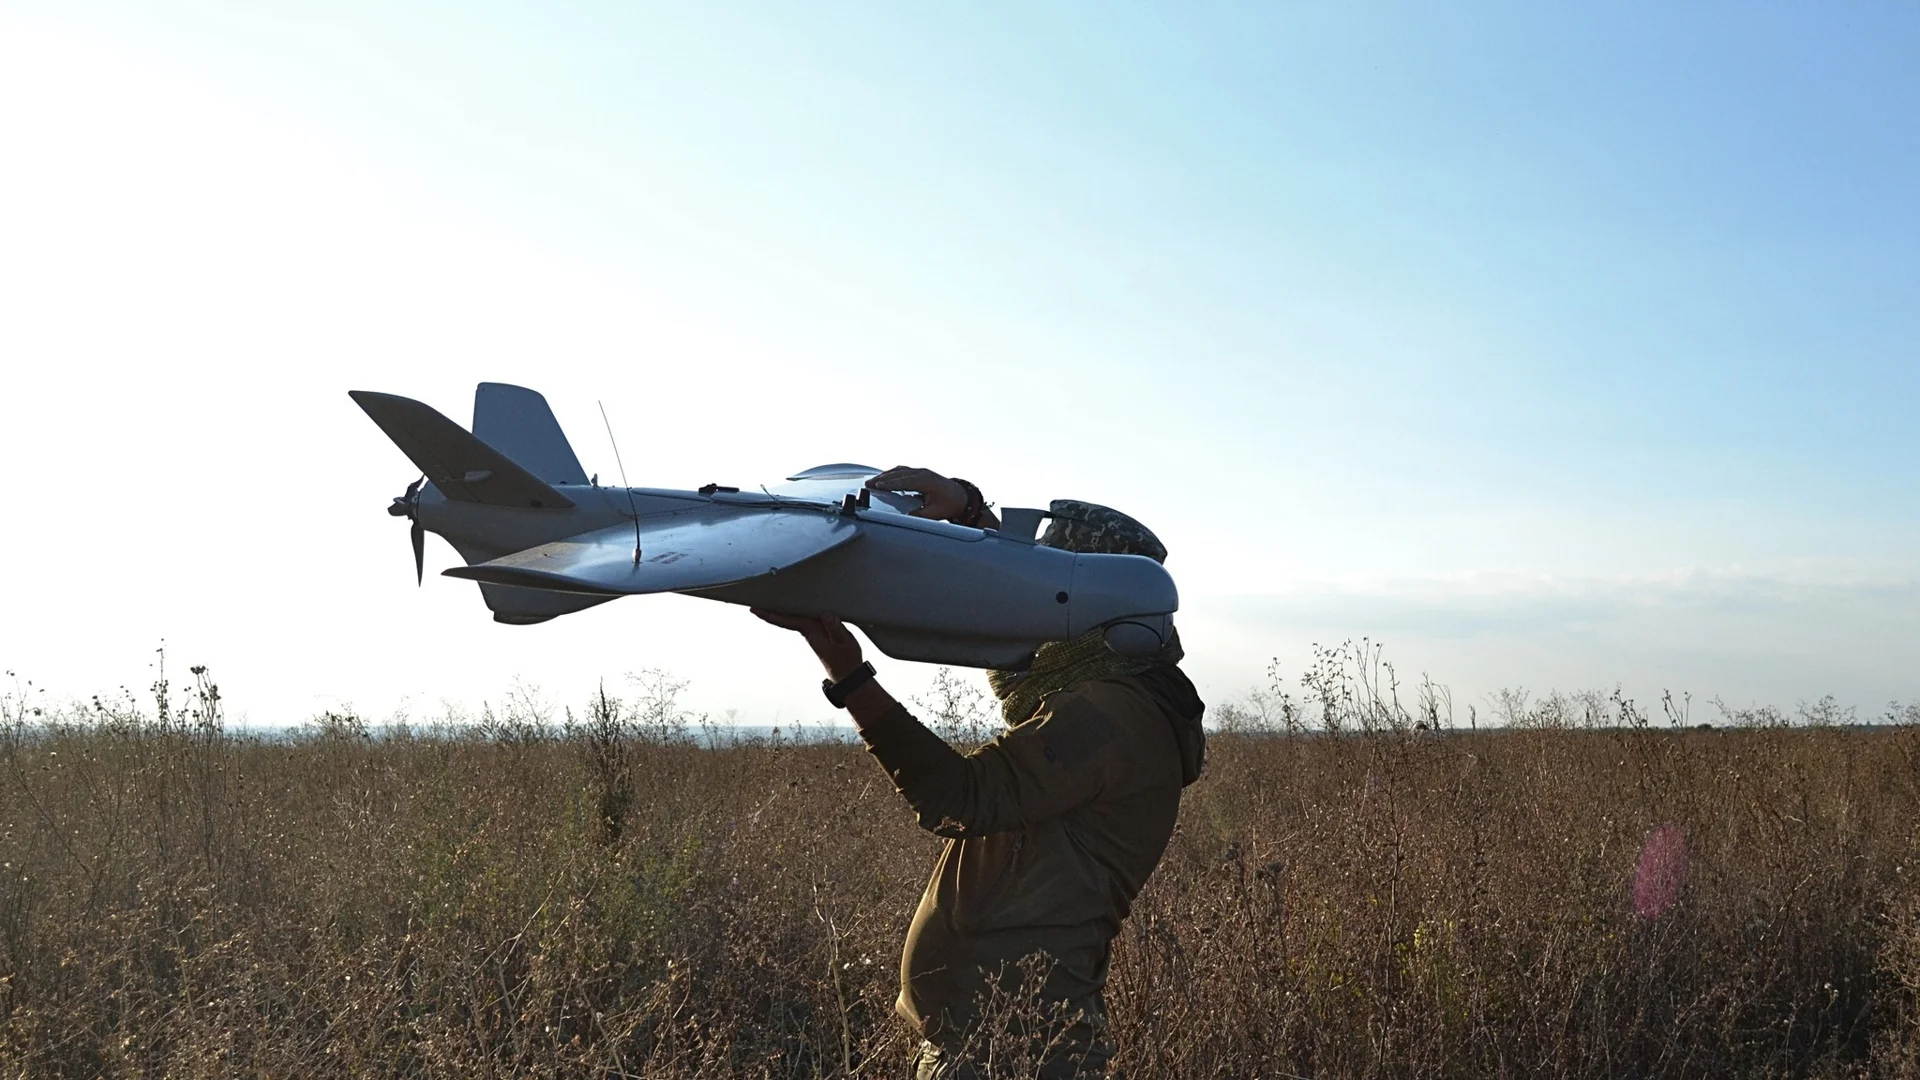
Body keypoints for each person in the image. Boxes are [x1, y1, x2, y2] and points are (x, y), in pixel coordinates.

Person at [753, 466, 1207, 1079]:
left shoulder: (1109, 715)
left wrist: (851, 676)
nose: (1037, 596)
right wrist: (970, 516)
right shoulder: (1111, 693)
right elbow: (1017, 627)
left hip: (1022, 1052)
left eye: (1058, 581)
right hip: (994, 1045)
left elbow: (957, 799)